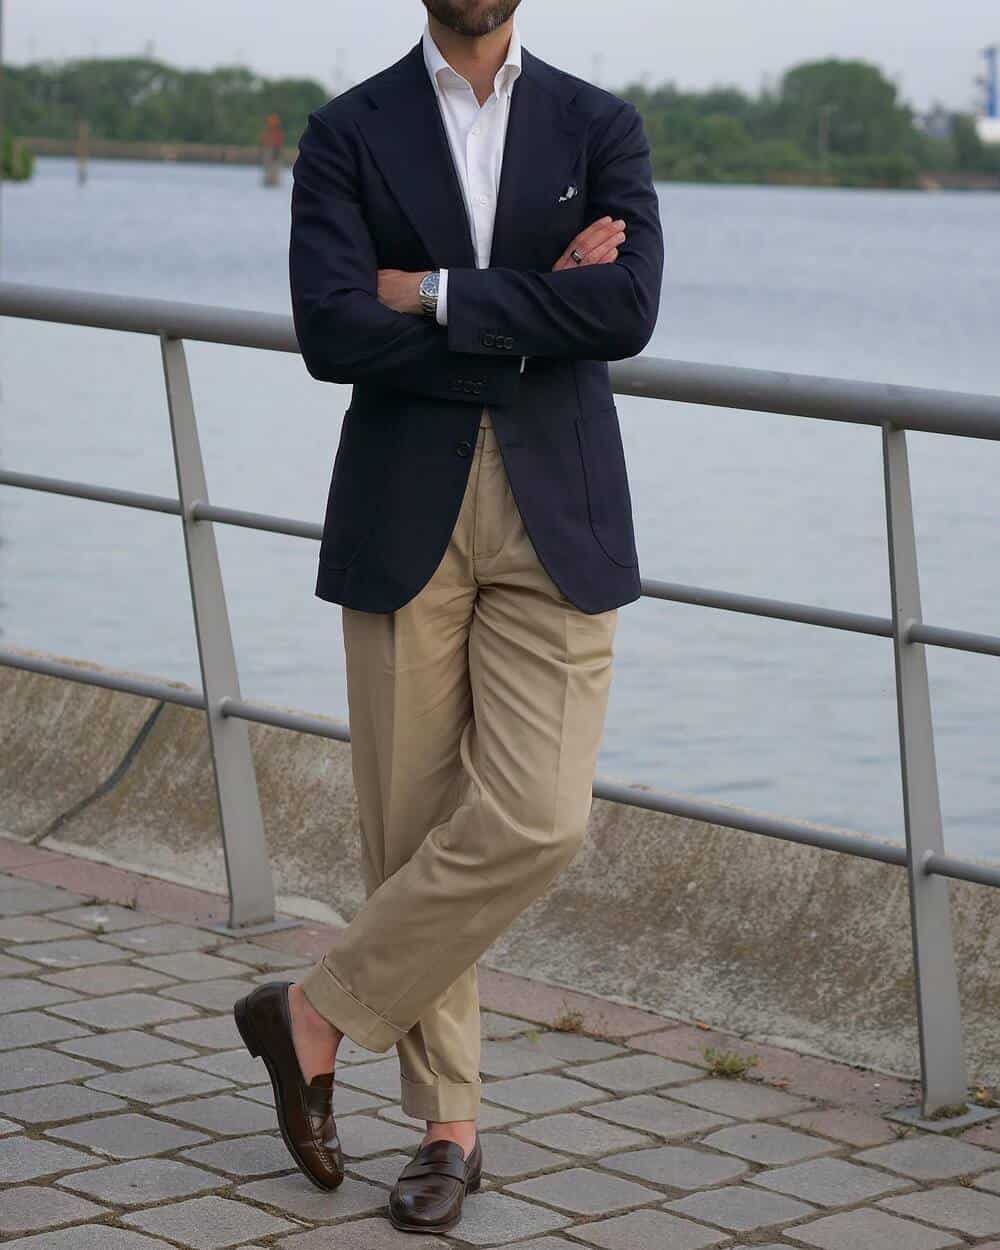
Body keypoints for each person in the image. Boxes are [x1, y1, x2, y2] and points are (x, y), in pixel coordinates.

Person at [234, 0, 664, 1234]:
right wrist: (531, 310)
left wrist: (428, 295)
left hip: (557, 508)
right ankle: (448, 1127)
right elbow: (330, 329)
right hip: (401, 504)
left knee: (537, 816)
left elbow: (627, 309)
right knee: (410, 823)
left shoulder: (599, 125)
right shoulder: (348, 130)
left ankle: (310, 1011)